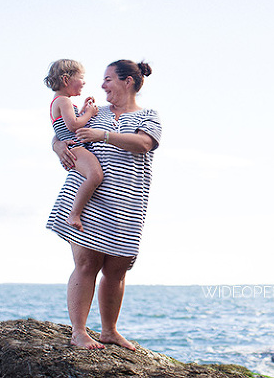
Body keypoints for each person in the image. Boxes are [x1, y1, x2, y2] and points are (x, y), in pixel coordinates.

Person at [47, 59, 162, 350]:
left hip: (127, 201)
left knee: (117, 268)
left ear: (128, 82)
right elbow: (64, 130)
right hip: (89, 200)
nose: (102, 85)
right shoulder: (96, 112)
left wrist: (104, 135)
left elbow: (144, 144)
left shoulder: (149, 116)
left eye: (109, 79)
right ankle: (79, 332)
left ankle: (109, 331)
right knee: (86, 263)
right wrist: (56, 145)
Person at [44, 59, 103, 232]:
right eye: (81, 77)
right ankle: (74, 213)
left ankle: (76, 212)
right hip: (75, 147)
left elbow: (71, 121)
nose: (84, 82)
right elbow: (74, 125)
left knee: (94, 176)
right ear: (66, 80)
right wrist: (90, 113)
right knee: (95, 175)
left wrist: (84, 110)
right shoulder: (64, 101)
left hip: (73, 146)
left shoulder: (61, 102)